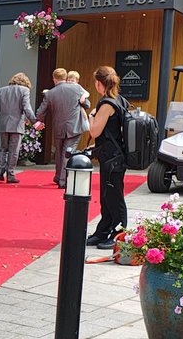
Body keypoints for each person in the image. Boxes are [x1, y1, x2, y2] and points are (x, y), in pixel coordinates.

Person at [86, 65, 128, 249]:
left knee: (114, 196)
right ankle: (103, 231)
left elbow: (94, 131)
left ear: (99, 83)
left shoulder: (106, 104)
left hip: (112, 158)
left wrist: (91, 116)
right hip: (114, 156)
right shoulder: (119, 99)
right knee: (107, 196)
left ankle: (119, 233)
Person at [35, 68, 87, 188]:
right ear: (65, 77)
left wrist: (38, 121)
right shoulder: (77, 88)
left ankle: (58, 177)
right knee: (67, 153)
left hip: (58, 127)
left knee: (59, 153)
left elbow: (40, 113)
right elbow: (87, 104)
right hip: (74, 127)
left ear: (54, 79)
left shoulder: (50, 93)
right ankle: (63, 181)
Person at [0, 73, 42, 184]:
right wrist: (35, 121)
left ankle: (1, 171)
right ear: (26, 82)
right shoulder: (24, 90)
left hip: (4, 123)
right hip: (16, 124)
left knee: (3, 149)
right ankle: (10, 174)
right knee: (14, 150)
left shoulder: (2, 90)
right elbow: (26, 108)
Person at [66, 70, 91, 134]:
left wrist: (83, 97)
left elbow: (87, 93)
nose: (70, 82)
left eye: (72, 81)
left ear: (77, 81)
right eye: (68, 80)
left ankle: (86, 125)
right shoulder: (65, 87)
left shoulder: (78, 87)